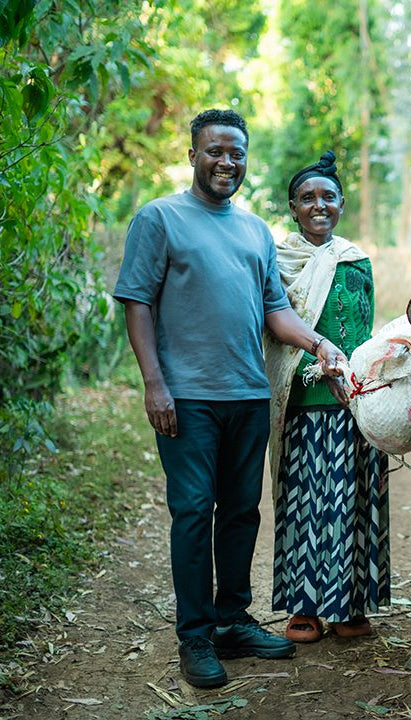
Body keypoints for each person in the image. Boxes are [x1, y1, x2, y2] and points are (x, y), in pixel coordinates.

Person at [113, 109, 346, 689]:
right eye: (215, 151)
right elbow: (136, 302)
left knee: (242, 512)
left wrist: (320, 343)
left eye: (236, 153)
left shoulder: (253, 232)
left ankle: (232, 619)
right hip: (187, 398)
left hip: (249, 393)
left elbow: (275, 311)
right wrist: (154, 383)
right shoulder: (158, 219)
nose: (227, 162)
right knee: (193, 512)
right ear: (192, 154)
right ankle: (195, 637)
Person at [264, 150, 390, 645]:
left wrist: (362, 383)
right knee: (307, 503)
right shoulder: (277, 260)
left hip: (354, 403)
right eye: (307, 198)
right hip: (302, 402)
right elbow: (274, 331)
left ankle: (349, 605)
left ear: (341, 204)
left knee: (354, 499)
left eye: (328, 197)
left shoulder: (356, 261)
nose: (319, 205)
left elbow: (363, 327)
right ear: (292, 207)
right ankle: (305, 605)